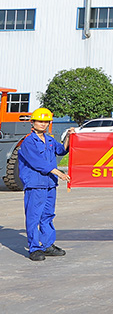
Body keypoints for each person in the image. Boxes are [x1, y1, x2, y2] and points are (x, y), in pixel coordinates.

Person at [17, 108, 75, 261]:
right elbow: (38, 163)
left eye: (45, 122)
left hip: (49, 184)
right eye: (39, 121)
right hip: (35, 184)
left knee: (48, 215)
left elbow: (61, 150)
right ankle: (34, 248)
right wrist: (59, 173)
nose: (43, 124)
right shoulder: (28, 142)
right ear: (32, 123)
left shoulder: (49, 140)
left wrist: (69, 136)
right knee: (34, 216)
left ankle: (48, 245)